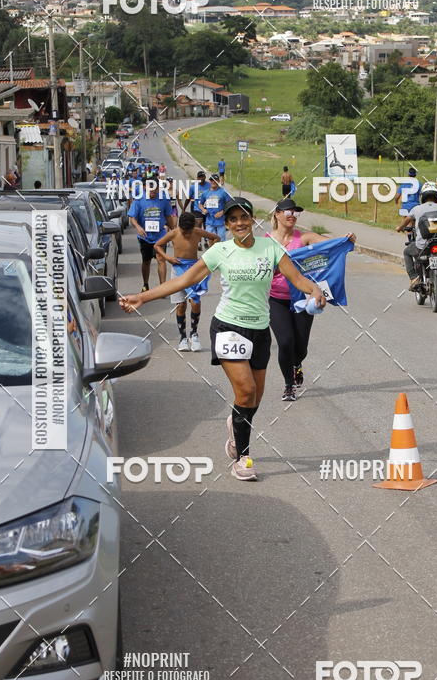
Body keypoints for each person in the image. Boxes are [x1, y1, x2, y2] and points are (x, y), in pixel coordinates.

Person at [120, 196, 326, 481]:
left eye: (244, 217)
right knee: (244, 390)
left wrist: (313, 290)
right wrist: (142, 297)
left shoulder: (271, 248)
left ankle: (235, 424)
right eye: (233, 220)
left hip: (260, 330)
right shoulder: (220, 251)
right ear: (227, 225)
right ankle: (243, 458)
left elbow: (296, 278)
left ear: (252, 220)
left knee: (254, 398)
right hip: (228, 327)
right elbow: (183, 281)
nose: (239, 223)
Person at [268, 198, 356, 401]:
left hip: (304, 299)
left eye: (295, 213)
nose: (292, 215)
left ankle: (297, 363)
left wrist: (347, 239)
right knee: (285, 342)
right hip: (277, 299)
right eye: (287, 212)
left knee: (300, 346)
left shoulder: (304, 237)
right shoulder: (267, 241)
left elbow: (330, 243)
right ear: (277, 215)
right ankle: (289, 386)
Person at [154, 212, 220, 352]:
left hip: (194, 268)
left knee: (195, 302)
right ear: (180, 227)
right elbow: (157, 245)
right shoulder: (174, 233)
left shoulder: (197, 231)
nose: (187, 234)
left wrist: (207, 255)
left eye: (189, 231)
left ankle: (194, 334)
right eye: (184, 231)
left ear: (193, 227)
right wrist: (168, 258)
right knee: (181, 304)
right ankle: (182, 337)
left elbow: (216, 237)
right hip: (178, 267)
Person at [396, 181, 437, 290]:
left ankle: (414, 278)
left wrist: (399, 228)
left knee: (406, 252)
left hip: (423, 246)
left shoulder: (417, 208)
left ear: (423, 196)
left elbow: (407, 219)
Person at [128, 177, 176, 292]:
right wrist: (138, 227)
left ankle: (162, 287)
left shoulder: (163, 200)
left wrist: (174, 231)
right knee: (146, 261)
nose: (153, 190)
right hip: (145, 237)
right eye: (150, 187)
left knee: (161, 259)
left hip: (160, 236)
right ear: (145, 187)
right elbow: (132, 218)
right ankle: (145, 284)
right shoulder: (139, 200)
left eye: (155, 188)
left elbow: (169, 216)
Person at [199, 173, 231, 242]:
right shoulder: (205, 193)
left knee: (221, 240)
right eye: (212, 180)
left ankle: (221, 252)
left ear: (218, 181)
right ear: (210, 181)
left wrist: (222, 212)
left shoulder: (223, 192)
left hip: (220, 221)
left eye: (215, 180)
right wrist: (203, 210)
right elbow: (200, 204)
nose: (213, 182)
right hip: (209, 221)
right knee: (210, 240)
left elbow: (229, 204)